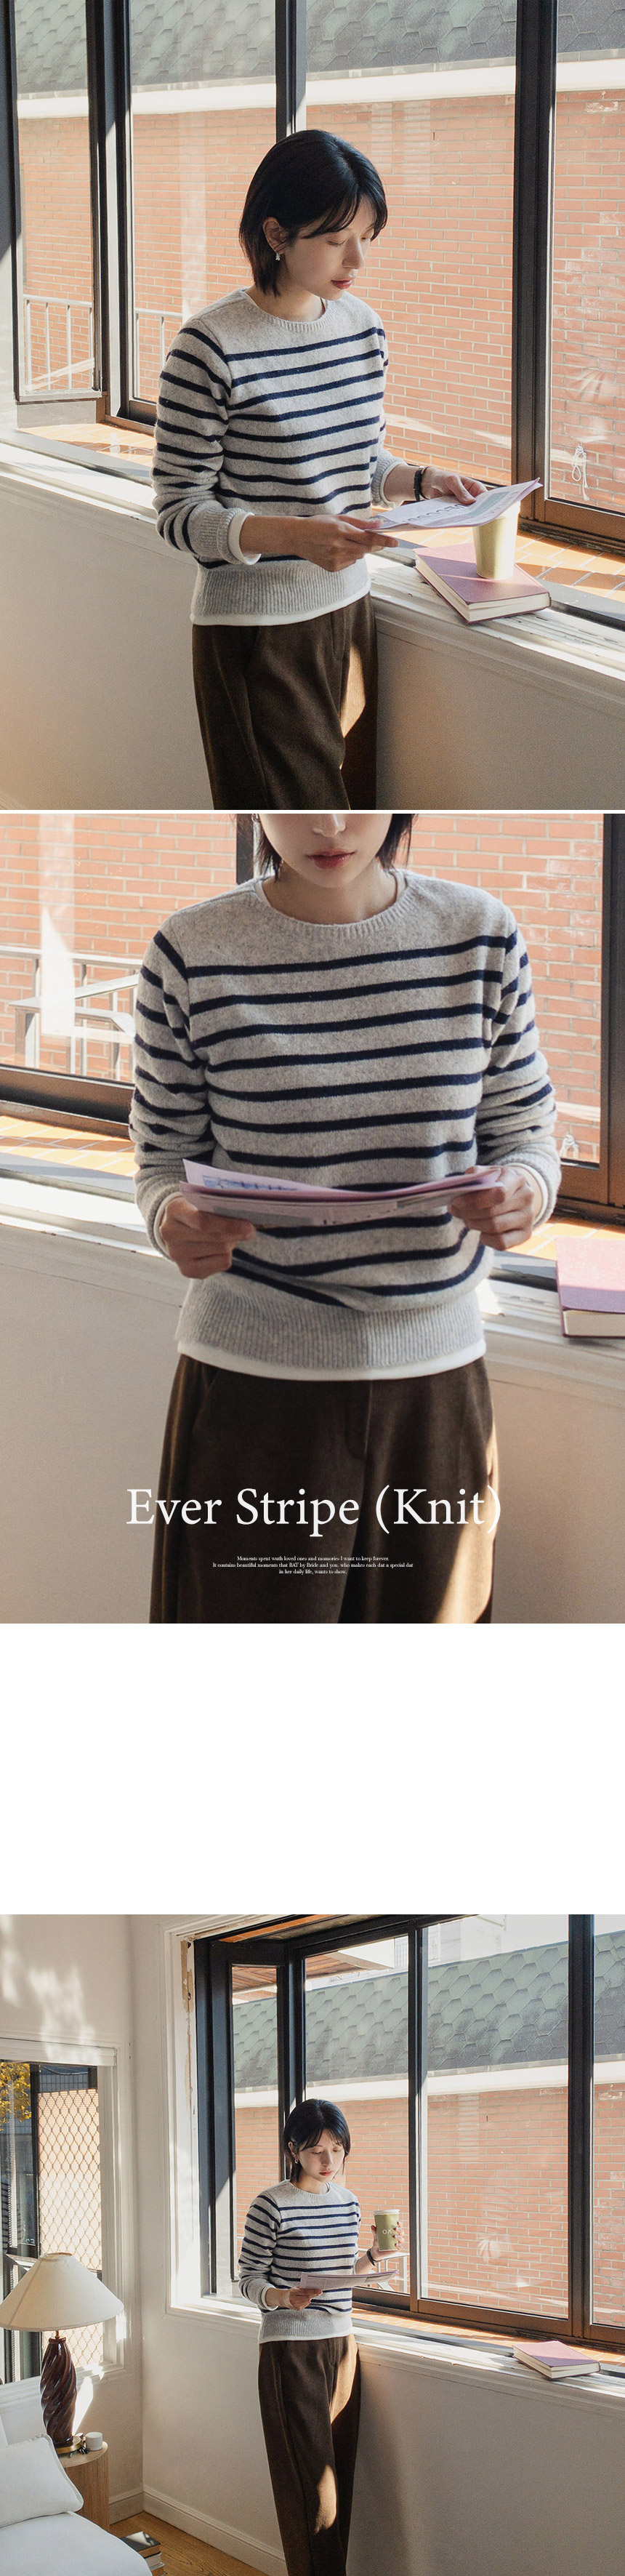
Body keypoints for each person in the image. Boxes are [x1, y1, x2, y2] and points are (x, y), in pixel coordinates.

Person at [131, 808, 560, 1626]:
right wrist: (172, 1219)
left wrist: (524, 1193)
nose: (328, 824)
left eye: (357, 796)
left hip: (435, 1382)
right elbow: (162, 1158)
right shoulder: (190, 950)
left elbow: (524, 1132)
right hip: (256, 1380)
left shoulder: (480, 934)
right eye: (294, 797)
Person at [153, 129, 483, 805]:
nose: (356, 259)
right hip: (254, 632)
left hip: (351, 610)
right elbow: (179, 512)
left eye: (366, 237)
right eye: (336, 240)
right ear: (276, 233)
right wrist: (297, 536)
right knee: (299, 819)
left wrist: (423, 482)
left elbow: (358, 460)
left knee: (354, 812)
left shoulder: (362, 327)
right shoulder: (208, 346)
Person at [239, 2098, 363, 2576]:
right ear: (293, 2149)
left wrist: (373, 2263)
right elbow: (248, 2279)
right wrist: (282, 2296)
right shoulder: (271, 2204)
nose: (329, 2159)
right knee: (318, 2500)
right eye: (317, 2149)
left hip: (343, 2348)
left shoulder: (350, 2202)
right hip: (290, 2350)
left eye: (337, 2148)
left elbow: (344, 2274)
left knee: (341, 2488)